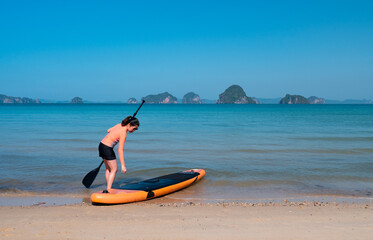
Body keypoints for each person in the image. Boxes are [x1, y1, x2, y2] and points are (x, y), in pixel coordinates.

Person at [98, 116, 140, 193]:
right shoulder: (123, 133)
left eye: (136, 129)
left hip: (101, 145)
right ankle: (109, 190)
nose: (134, 130)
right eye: (134, 128)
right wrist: (123, 165)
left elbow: (108, 130)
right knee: (114, 170)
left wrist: (113, 137)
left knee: (109, 169)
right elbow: (120, 150)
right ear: (130, 124)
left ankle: (108, 187)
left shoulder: (119, 125)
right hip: (107, 148)